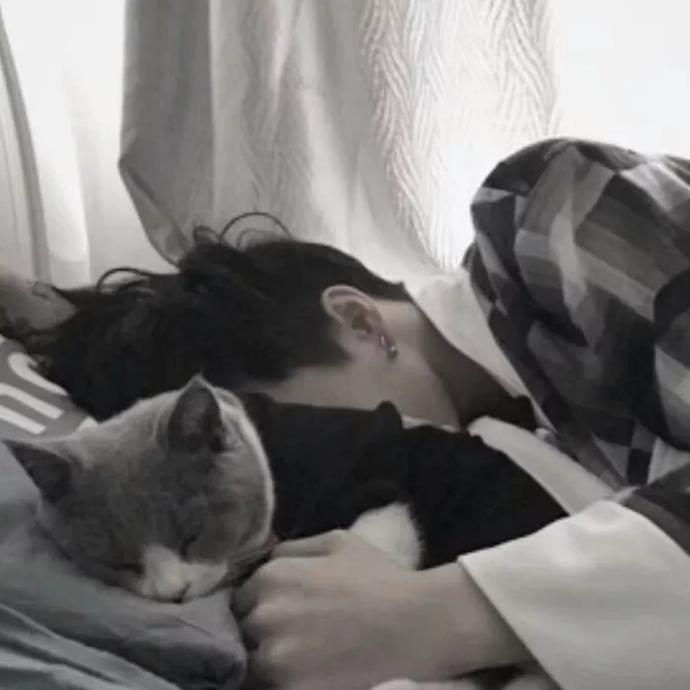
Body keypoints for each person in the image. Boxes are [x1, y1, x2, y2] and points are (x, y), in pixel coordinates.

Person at [14, 137, 690, 690]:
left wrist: (449, 613)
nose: (323, 475)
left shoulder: (545, 215)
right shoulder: (500, 449)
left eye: (306, 435)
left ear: (359, 321)